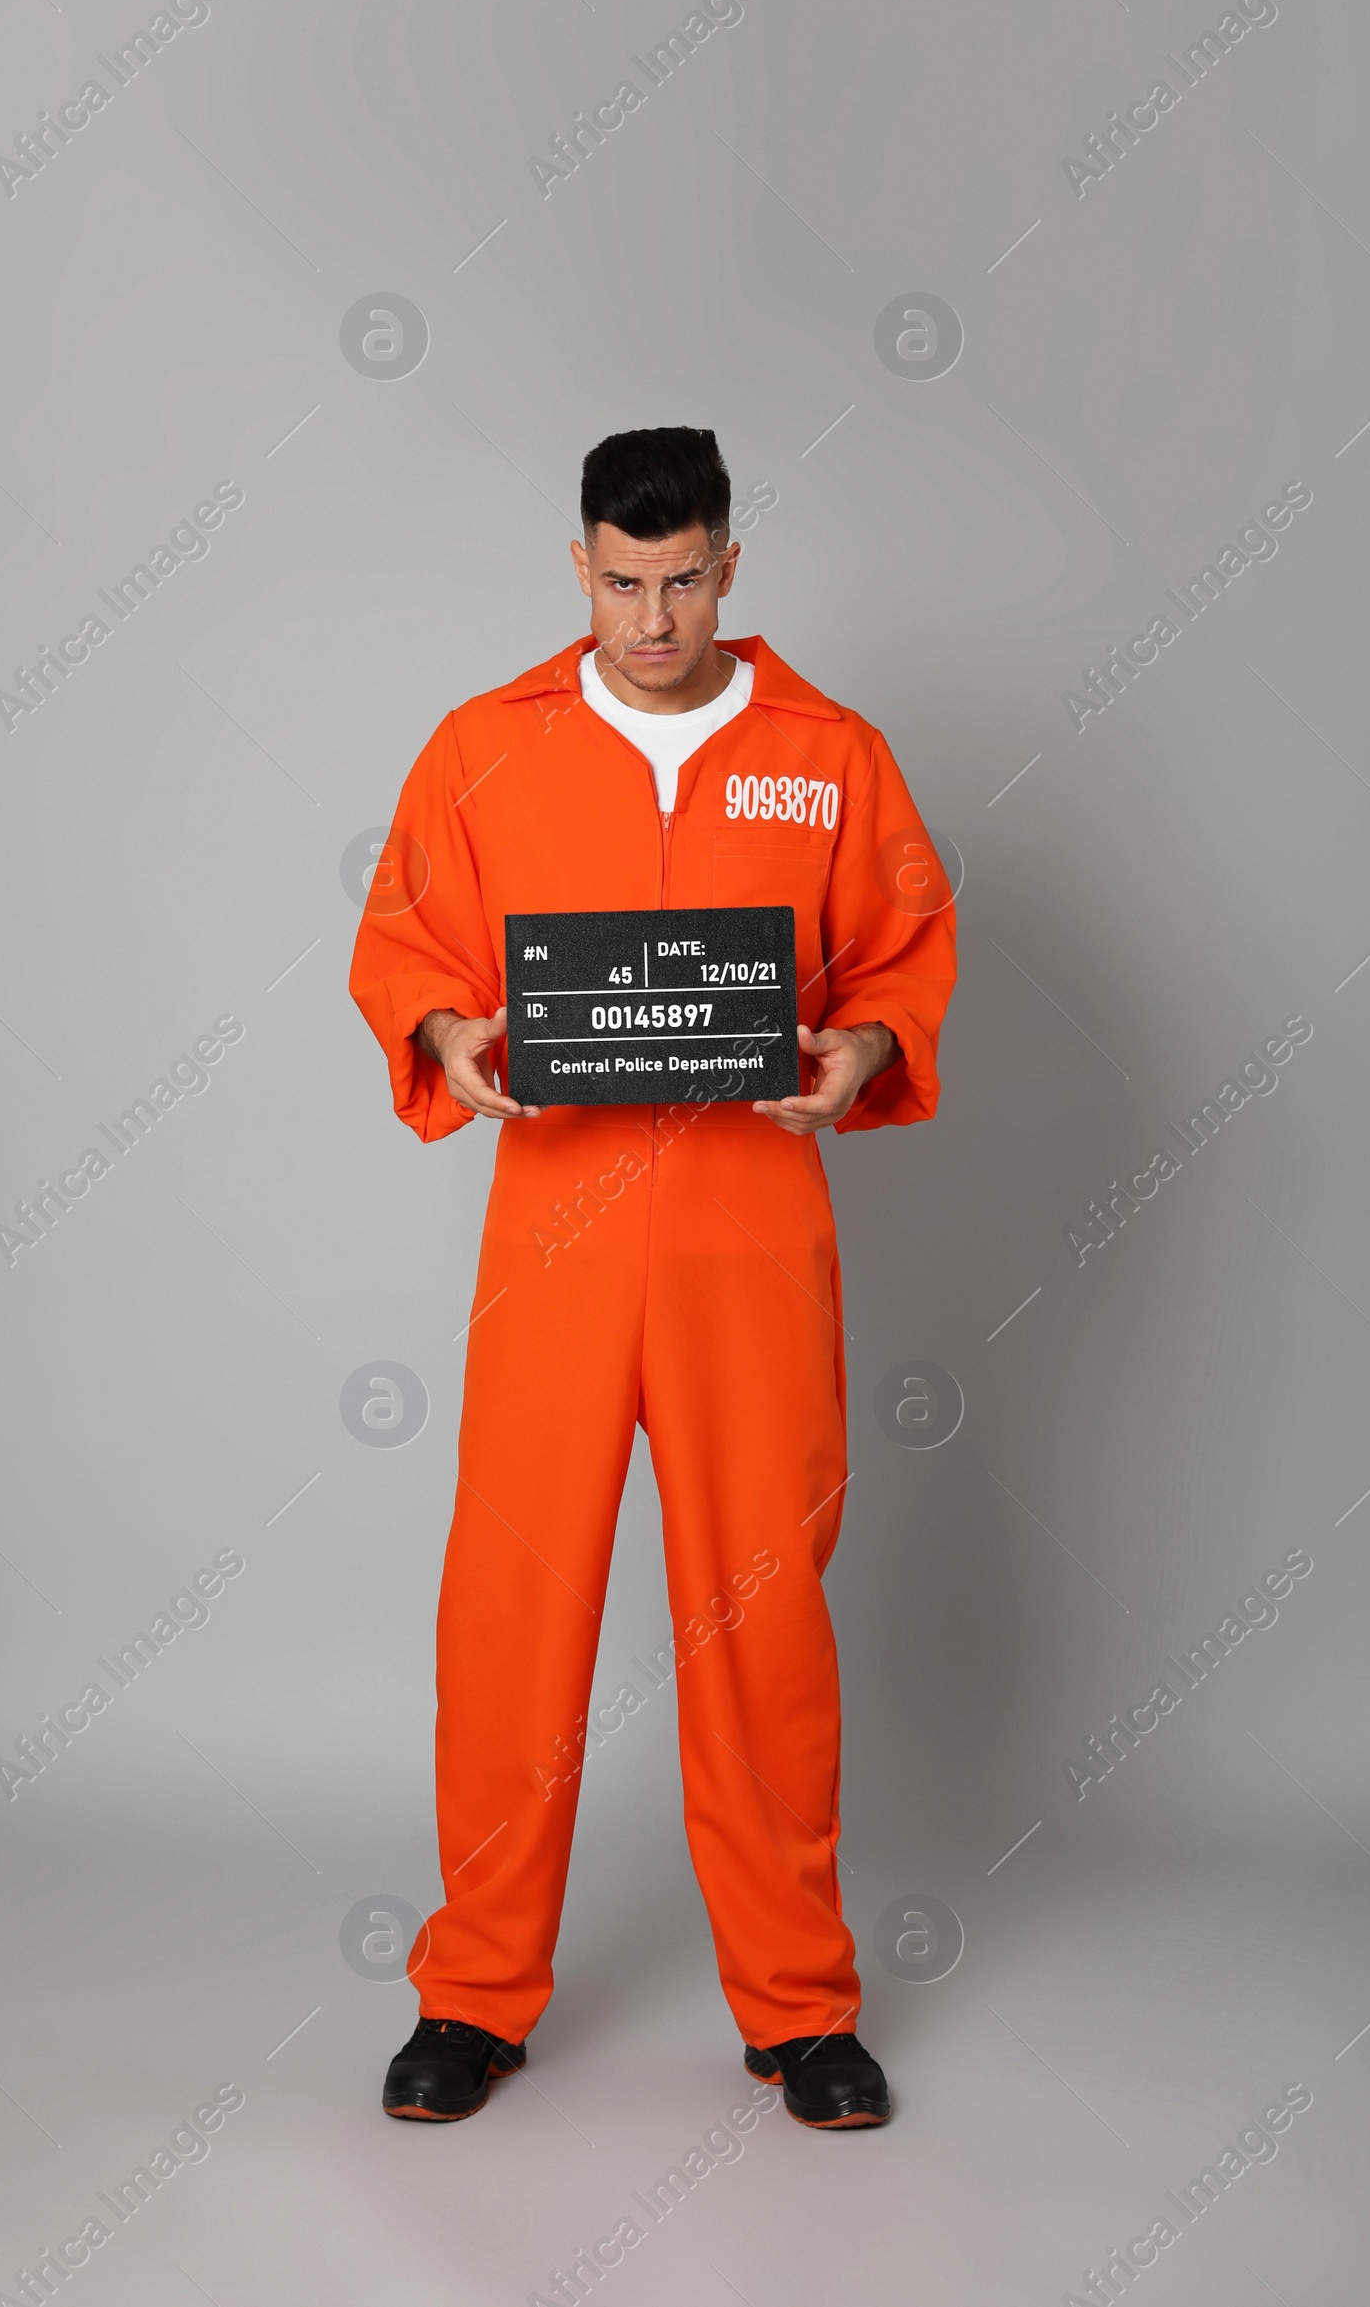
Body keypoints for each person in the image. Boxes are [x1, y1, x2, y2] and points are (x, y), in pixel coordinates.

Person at [348, 426, 957, 2128]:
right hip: (555, 1230)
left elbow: (903, 945)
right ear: (580, 567)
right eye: (623, 581)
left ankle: (800, 2002)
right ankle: (470, 1992)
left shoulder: (828, 753)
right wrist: (449, 1029)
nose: (653, 613)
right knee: (511, 1615)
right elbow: (406, 937)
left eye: (683, 577)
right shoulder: (486, 748)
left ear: (730, 566)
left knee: (764, 1615)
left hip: (748, 1233)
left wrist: (858, 1048)